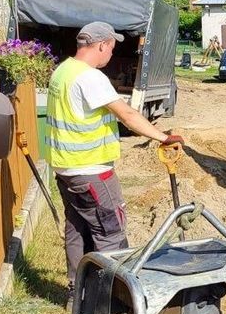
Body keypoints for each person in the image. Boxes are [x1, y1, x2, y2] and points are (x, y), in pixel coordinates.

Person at [47, 21, 183, 294]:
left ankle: (78, 292)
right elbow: (128, 115)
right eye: (111, 48)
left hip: (66, 170)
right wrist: (162, 137)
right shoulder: (90, 78)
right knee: (110, 234)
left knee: (77, 230)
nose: (111, 54)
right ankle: (114, 297)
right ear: (101, 45)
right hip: (92, 172)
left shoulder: (62, 72)